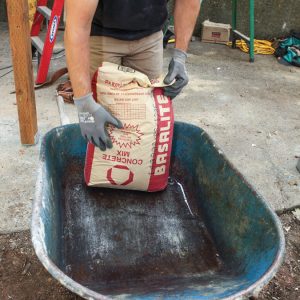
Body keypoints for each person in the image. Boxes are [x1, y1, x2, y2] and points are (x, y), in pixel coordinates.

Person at [65, 0, 200, 150]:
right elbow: (77, 28)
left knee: (146, 122)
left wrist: (180, 56)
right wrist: (84, 105)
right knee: (99, 123)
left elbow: (189, 2)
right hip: (100, 35)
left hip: (150, 36)